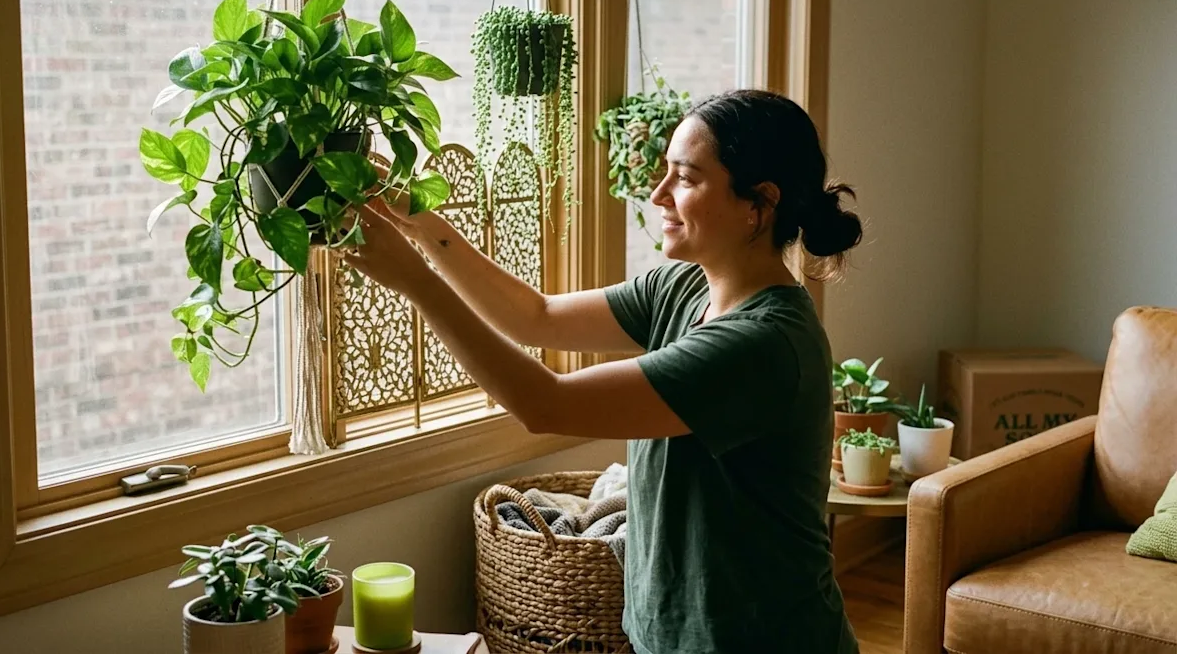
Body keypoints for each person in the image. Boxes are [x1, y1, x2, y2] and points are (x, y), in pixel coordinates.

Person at [344, 88, 863, 653]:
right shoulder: (684, 286)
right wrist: (420, 223)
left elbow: (547, 404)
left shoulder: (761, 344)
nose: (658, 193)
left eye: (685, 179)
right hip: (669, 635)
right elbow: (533, 317)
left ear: (757, 205)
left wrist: (416, 283)